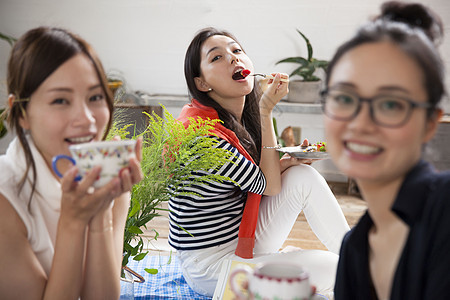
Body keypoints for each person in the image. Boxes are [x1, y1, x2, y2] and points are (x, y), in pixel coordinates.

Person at [168, 27, 350, 297]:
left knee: (302, 177)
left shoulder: (233, 122)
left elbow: (260, 178)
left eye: (237, 50)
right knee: (338, 272)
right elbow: (268, 185)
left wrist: (287, 162)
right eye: (216, 57)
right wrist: (266, 110)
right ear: (202, 83)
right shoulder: (203, 137)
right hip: (213, 268)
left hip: (241, 239)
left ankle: (362, 257)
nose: (233, 58)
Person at [0, 27, 143, 299]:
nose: (87, 119)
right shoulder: (5, 197)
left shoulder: (109, 182)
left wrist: (101, 213)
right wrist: (73, 222)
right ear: (21, 113)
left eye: (95, 97)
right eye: (61, 100)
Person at [321, 2, 449, 299]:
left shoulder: (445, 208)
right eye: (344, 97)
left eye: (390, 104)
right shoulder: (354, 248)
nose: (360, 122)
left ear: (430, 122)